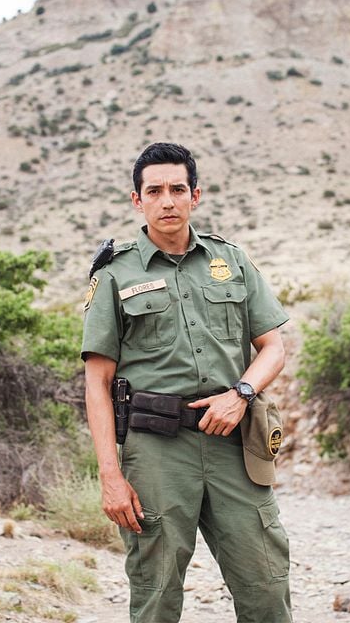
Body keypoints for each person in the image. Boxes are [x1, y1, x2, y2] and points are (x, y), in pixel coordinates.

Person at [81, 142, 292, 622]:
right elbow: (97, 383)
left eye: (178, 189)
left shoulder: (231, 261)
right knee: (156, 589)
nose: (168, 200)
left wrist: (241, 396)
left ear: (195, 194)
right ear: (138, 201)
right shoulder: (115, 273)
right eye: (154, 191)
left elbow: (273, 348)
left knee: (266, 581)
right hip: (156, 451)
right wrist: (110, 475)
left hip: (233, 443)